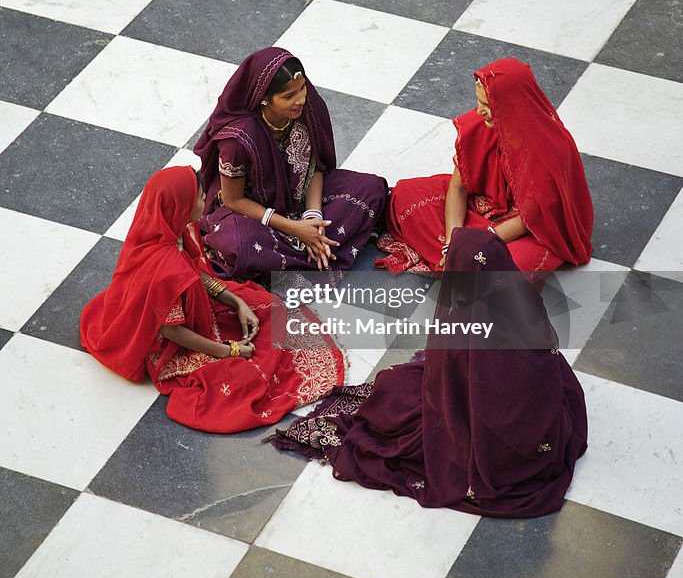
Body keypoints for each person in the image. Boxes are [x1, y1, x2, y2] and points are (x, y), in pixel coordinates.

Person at [269, 230, 588, 518]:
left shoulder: (462, 324)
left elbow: (447, 387)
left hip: (492, 437)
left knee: (393, 390)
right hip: (541, 432)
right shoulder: (524, 299)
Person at [80, 166, 346, 433]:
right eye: (198, 197)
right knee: (243, 376)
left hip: (186, 309)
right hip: (162, 341)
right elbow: (170, 329)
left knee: (271, 307)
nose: (204, 198)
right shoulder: (165, 269)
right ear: (180, 205)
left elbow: (194, 274)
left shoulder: (172, 231)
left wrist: (236, 303)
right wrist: (228, 350)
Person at [377, 57, 593, 276]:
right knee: (405, 195)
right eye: (479, 102)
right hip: (482, 208)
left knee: (502, 269)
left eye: (489, 106)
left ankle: (460, 264)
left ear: (513, 105)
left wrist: (476, 242)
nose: (480, 111)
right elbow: (458, 188)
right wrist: (454, 241)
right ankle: (455, 259)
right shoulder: (479, 127)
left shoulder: (549, 149)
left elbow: (532, 219)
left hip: (533, 228)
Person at [194, 47, 387, 280]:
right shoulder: (239, 139)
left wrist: (313, 217)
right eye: (288, 96)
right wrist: (294, 229)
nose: (300, 100)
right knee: (240, 245)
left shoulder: (307, 109)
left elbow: (315, 167)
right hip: (254, 216)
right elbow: (234, 200)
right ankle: (314, 251)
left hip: (299, 202)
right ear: (263, 98)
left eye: (302, 88)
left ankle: (303, 252)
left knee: (371, 189)